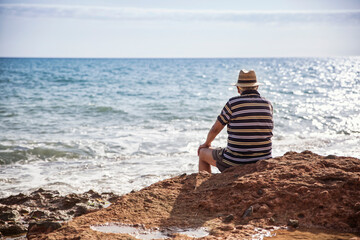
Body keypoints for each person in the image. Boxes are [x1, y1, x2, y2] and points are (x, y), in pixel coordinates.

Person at [198, 69, 273, 173]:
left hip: (235, 161)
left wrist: (206, 144)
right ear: (257, 86)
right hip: (264, 158)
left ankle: (204, 187)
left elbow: (215, 129)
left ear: (238, 88)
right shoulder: (267, 104)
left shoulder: (233, 103)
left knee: (202, 153)